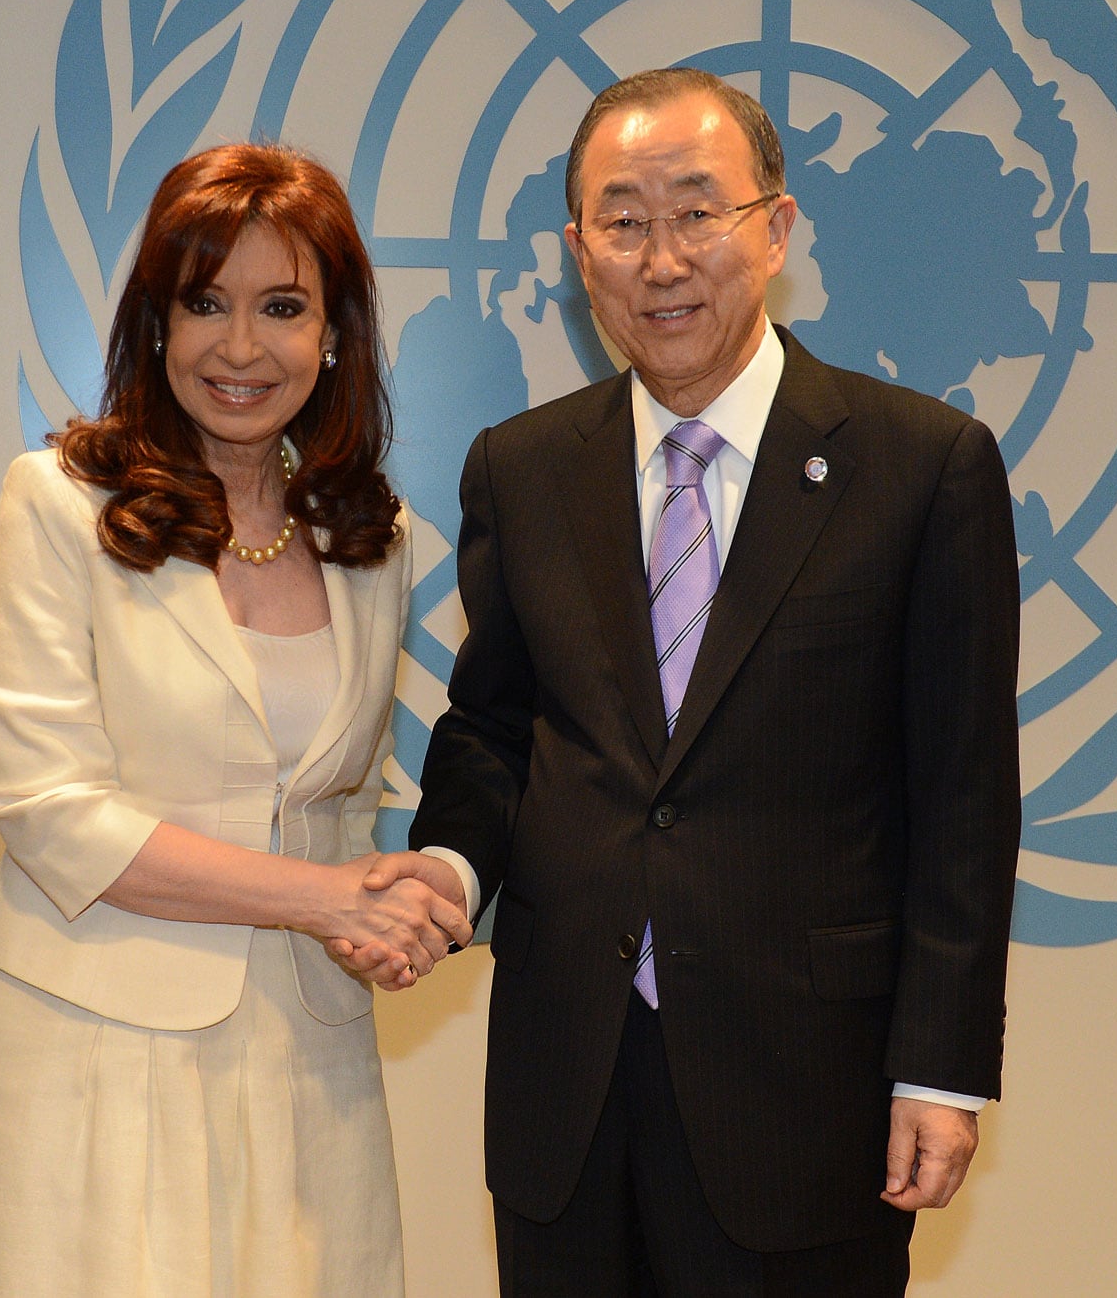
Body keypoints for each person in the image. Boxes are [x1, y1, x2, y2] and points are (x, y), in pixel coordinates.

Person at [380, 69, 1021, 1296]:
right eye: (621, 222)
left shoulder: (919, 467)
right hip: (564, 1091)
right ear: (578, 253)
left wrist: (936, 1070)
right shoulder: (522, 469)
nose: (660, 258)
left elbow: (962, 797)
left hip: (806, 1093)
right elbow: (495, 728)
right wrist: (452, 868)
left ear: (773, 230)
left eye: (696, 212)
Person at [0, 145, 471, 1298]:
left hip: (309, 1060)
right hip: (88, 1050)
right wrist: (324, 897)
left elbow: (339, 799)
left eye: (282, 307)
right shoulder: (60, 504)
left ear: (333, 336)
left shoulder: (372, 537)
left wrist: (399, 903)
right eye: (205, 305)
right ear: (156, 325)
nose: (241, 348)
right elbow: (50, 812)